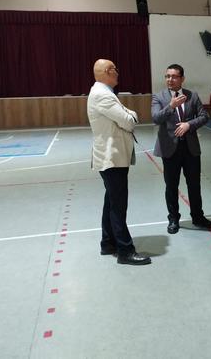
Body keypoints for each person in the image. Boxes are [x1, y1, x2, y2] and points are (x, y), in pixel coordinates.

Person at [87, 59, 151, 265]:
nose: (117, 72)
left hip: (111, 158)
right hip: (112, 158)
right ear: (108, 71)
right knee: (118, 205)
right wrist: (132, 115)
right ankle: (125, 250)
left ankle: (107, 243)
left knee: (111, 201)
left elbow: (125, 117)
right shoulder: (103, 95)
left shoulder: (103, 92)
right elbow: (129, 121)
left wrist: (128, 115)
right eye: (115, 68)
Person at [151, 64, 211, 234]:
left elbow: (204, 116)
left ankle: (198, 216)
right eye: (167, 76)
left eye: (174, 76)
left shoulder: (192, 96)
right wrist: (171, 106)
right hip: (169, 149)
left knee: (194, 185)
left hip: (190, 148)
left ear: (182, 79)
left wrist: (189, 125)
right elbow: (156, 118)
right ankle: (173, 219)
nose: (170, 79)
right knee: (171, 186)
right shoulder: (159, 97)